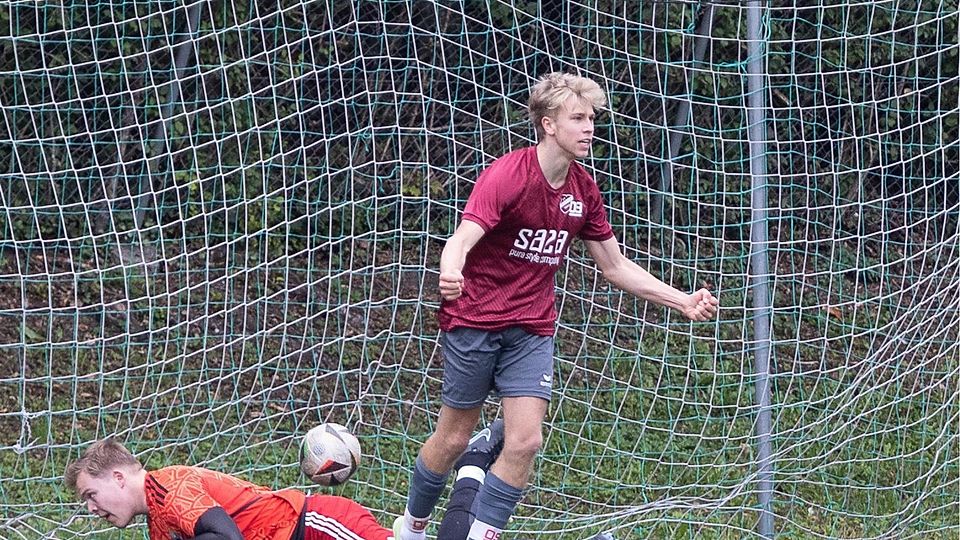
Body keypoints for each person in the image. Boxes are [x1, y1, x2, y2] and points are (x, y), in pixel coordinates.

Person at [393, 72, 720, 540]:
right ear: (548, 124)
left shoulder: (583, 190)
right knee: (454, 439)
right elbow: (461, 238)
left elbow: (614, 264)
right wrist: (451, 270)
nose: (590, 128)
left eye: (592, 119)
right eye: (579, 118)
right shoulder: (508, 175)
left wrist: (681, 299)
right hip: (475, 321)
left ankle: (481, 535)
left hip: (531, 329)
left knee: (525, 440)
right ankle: (411, 527)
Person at [64, 438, 395, 540]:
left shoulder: (170, 487)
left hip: (314, 527)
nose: (91, 509)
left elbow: (228, 539)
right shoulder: (158, 524)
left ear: (119, 478)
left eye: (90, 495)